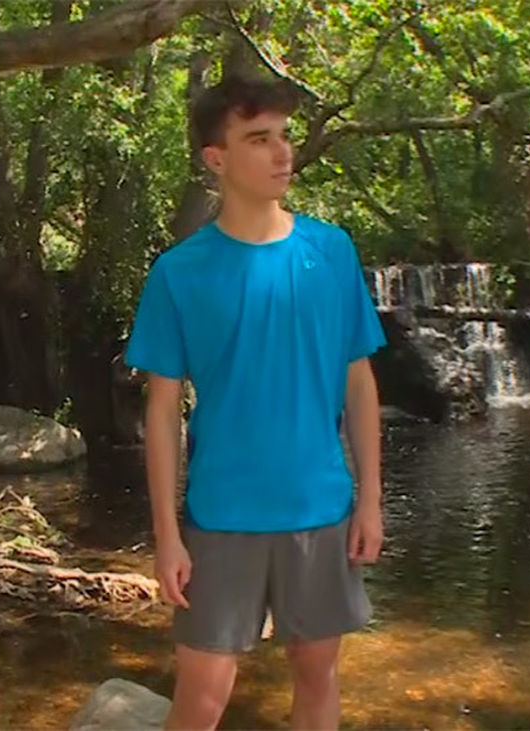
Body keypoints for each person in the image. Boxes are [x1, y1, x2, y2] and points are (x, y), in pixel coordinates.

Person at [125, 76, 387, 731]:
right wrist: (165, 535)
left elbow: (358, 381)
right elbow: (160, 412)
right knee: (201, 695)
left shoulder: (330, 251)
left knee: (316, 674)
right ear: (216, 159)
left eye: (284, 136)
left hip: (320, 510)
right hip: (220, 516)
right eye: (258, 139)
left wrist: (371, 499)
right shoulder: (179, 272)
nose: (281, 153)